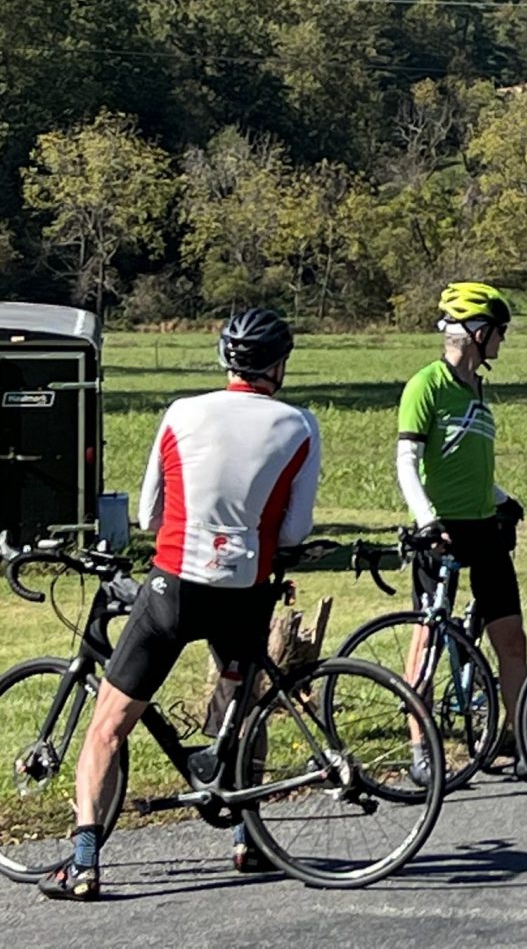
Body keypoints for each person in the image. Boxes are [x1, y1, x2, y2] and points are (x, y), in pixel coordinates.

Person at [39, 310, 319, 901]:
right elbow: (294, 531)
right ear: (278, 365)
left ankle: (84, 862)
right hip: (244, 593)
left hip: (175, 588)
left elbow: (146, 515)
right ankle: (248, 837)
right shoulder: (299, 425)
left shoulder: (182, 413)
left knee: (108, 728)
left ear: (226, 361)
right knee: (243, 710)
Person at [396, 281, 527, 781]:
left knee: (511, 637)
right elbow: (407, 461)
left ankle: (522, 747)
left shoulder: (476, 386)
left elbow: (469, 465)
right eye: (498, 330)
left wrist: (503, 500)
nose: (503, 339)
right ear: (477, 332)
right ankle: (420, 749)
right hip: (442, 529)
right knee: (427, 640)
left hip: (482, 526)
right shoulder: (426, 384)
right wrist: (427, 521)